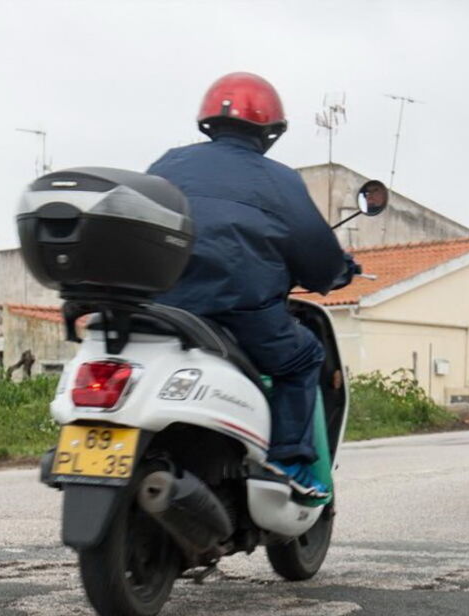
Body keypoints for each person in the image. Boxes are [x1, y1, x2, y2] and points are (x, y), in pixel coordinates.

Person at [149, 71, 355, 501]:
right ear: (270, 130)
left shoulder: (168, 163)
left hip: (161, 309)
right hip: (240, 316)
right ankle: (288, 464)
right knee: (303, 358)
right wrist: (339, 272)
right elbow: (318, 256)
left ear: (209, 121)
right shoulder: (279, 180)